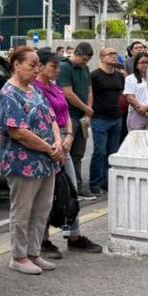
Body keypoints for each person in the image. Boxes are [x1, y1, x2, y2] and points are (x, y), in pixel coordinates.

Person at [0, 46, 63, 275]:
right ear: (16, 65)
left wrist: (57, 142)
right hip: (23, 162)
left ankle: (34, 252)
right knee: (22, 211)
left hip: (45, 161)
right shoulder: (8, 93)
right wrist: (48, 148)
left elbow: (51, 118)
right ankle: (19, 255)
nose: (37, 70)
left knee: (42, 209)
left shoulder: (35, 90)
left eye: (38, 65)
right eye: (31, 65)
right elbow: (18, 132)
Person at [33, 50, 102, 256]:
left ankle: (74, 235)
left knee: (70, 190)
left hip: (64, 139)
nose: (57, 71)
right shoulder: (35, 90)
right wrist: (57, 143)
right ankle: (42, 240)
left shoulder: (54, 87)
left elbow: (65, 113)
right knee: (47, 196)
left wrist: (70, 135)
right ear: (41, 67)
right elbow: (44, 120)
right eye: (53, 66)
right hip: (49, 144)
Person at [87, 46, 125, 197]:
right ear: (102, 58)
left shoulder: (119, 76)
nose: (114, 56)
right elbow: (89, 95)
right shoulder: (94, 76)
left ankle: (107, 182)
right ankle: (95, 183)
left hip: (116, 118)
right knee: (99, 151)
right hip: (99, 118)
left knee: (112, 152)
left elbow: (121, 93)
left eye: (115, 53)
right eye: (110, 54)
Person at [59, 41, 93, 196]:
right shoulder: (65, 67)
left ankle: (78, 186)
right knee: (66, 152)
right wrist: (85, 108)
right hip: (70, 116)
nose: (85, 63)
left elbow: (89, 90)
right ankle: (66, 189)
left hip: (83, 116)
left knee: (78, 153)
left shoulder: (85, 68)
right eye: (84, 59)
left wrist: (88, 111)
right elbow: (68, 93)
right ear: (77, 54)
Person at [123, 53, 148, 132]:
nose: (145, 65)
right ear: (136, 65)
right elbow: (130, 98)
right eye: (142, 63)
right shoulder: (130, 78)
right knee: (137, 142)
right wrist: (145, 113)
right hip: (136, 114)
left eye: (147, 62)